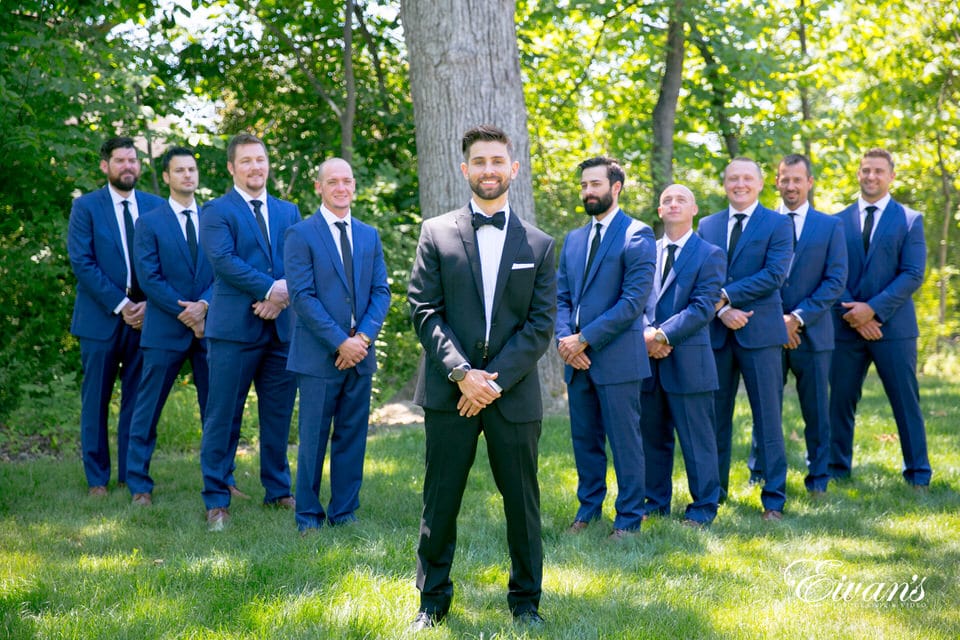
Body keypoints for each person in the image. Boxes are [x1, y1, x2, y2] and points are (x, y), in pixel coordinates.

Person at [407, 125, 556, 630]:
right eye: (479, 161)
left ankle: (526, 602)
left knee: (523, 504)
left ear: (513, 169)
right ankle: (432, 601)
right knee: (440, 500)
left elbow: (540, 325)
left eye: (498, 161)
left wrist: (491, 382)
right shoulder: (436, 232)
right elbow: (423, 310)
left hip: (512, 397)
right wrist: (461, 373)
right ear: (465, 168)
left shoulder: (539, 243)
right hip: (451, 393)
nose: (489, 169)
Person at [198, 133, 301, 531]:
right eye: (246, 161)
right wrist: (268, 289)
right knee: (222, 416)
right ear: (231, 168)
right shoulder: (217, 211)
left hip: (281, 329)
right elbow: (224, 261)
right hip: (233, 332)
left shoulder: (288, 210)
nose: (255, 167)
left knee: (277, 416)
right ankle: (216, 499)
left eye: (260, 159)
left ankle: (278, 490)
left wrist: (280, 297)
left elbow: (298, 259)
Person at [284, 158, 390, 533]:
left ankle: (344, 512)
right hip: (318, 356)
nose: (341, 188)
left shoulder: (368, 234)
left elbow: (381, 291)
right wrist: (339, 342)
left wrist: (361, 339)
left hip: (360, 355)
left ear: (354, 186)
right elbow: (302, 297)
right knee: (313, 439)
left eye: (347, 181)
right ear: (319, 187)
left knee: (352, 436)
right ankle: (308, 516)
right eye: (333, 182)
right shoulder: (301, 234)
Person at [555, 156, 655, 539]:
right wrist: (567, 342)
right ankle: (588, 510)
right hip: (576, 360)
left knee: (625, 441)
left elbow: (632, 302)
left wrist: (585, 338)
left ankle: (629, 519)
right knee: (585, 440)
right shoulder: (575, 238)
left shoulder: (638, 235)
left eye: (594, 184)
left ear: (616, 188)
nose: (587, 192)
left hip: (616, 359)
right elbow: (562, 296)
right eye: (583, 185)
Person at [696, 157, 793, 521]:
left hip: (762, 333)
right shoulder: (707, 224)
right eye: (733, 178)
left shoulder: (778, 224)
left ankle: (774, 499)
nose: (740, 184)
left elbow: (775, 275)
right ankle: (713, 494)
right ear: (724, 184)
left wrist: (726, 295)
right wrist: (721, 310)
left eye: (747, 178)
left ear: (760, 183)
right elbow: (699, 275)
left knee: (768, 416)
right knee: (715, 417)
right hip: (717, 332)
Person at [67, 136, 165, 496]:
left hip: (148, 316)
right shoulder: (87, 207)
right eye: (120, 160)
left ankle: (131, 473)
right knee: (96, 399)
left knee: (139, 401)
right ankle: (97, 479)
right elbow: (82, 262)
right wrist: (122, 306)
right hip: (100, 319)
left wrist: (150, 305)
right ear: (104, 166)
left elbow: (166, 262)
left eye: (133, 160)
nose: (128, 166)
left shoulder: (156, 207)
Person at [828, 148, 930, 488]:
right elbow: (831, 273)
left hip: (895, 328)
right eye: (866, 170)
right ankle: (837, 469)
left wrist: (872, 310)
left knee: (905, 401)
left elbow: (913, 273)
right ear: (858, 173)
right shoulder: (836, 221)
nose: (871, 176)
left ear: (891, 176)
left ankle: (918, 473)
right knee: (840, 401)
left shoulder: (909, 219)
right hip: (845, 327)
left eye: (878, 171)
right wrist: (853, 313)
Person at [746, 154, 846, 496]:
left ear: (810, 183)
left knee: (817, 410)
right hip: (765, 333)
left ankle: (818, 477)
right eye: (784, 179)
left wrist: (796, 318)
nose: (790, 186)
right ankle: (759, 472)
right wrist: (777, 322)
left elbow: (835, 281)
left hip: (813, 334)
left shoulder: (830, 226)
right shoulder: (760, 224)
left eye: (797, 180)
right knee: (765, 406)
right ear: (776, 182)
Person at [125, 146, 216, 506]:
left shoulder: (213, 217)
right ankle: (139, 485)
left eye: (192, 169)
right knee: (147, 409)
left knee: (216, 409)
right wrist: (187, 311)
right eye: (179, 170)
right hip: (165, 328)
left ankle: (221, 480)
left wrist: (205, 306)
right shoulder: (149, 221)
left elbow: (222, 266)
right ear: (166, 177)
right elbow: (148, 276)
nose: (187, 176)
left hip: (209, 327)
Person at [640, 184, 724, 527]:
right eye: (666, 200)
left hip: (689, 360)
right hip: (646, 359)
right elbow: (634, 298)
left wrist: (662, 334)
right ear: (659, 211)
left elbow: (704, 306)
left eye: (681, 200)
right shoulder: (643, 251)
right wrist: (646, 333)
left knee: (697, 439)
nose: (673, 204)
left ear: (694, 210)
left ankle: (704, 507)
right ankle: (655, 502)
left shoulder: (710, 253)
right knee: (651, 435)